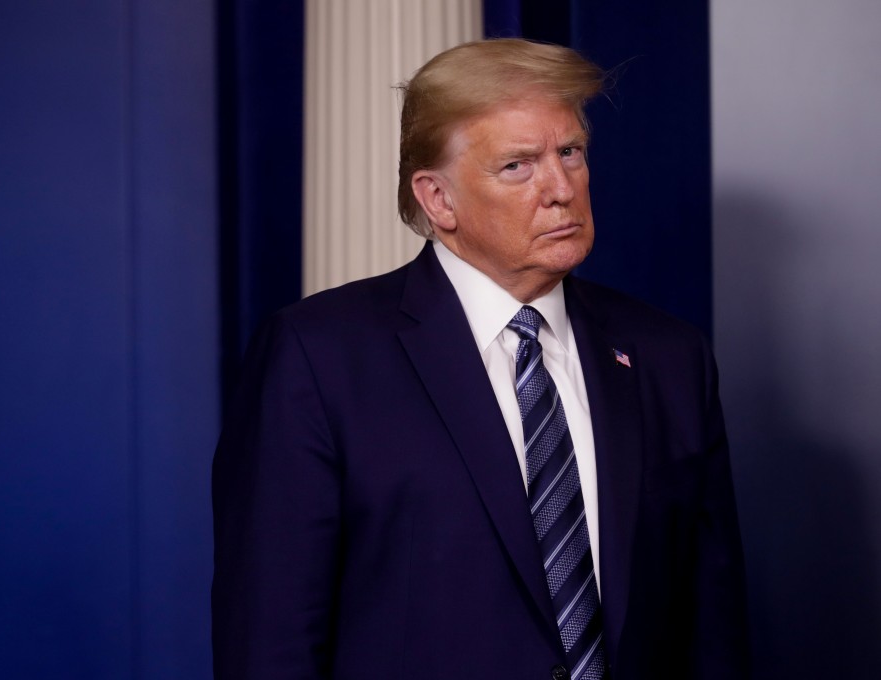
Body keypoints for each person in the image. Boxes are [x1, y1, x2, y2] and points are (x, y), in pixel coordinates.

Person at [212, 38, 749, 680]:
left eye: (570, 153)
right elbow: (269, 640)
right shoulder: (318, 357)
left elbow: (712, 626)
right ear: (438, 200)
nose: (559, 188)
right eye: (518, 166)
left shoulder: (669, 357)